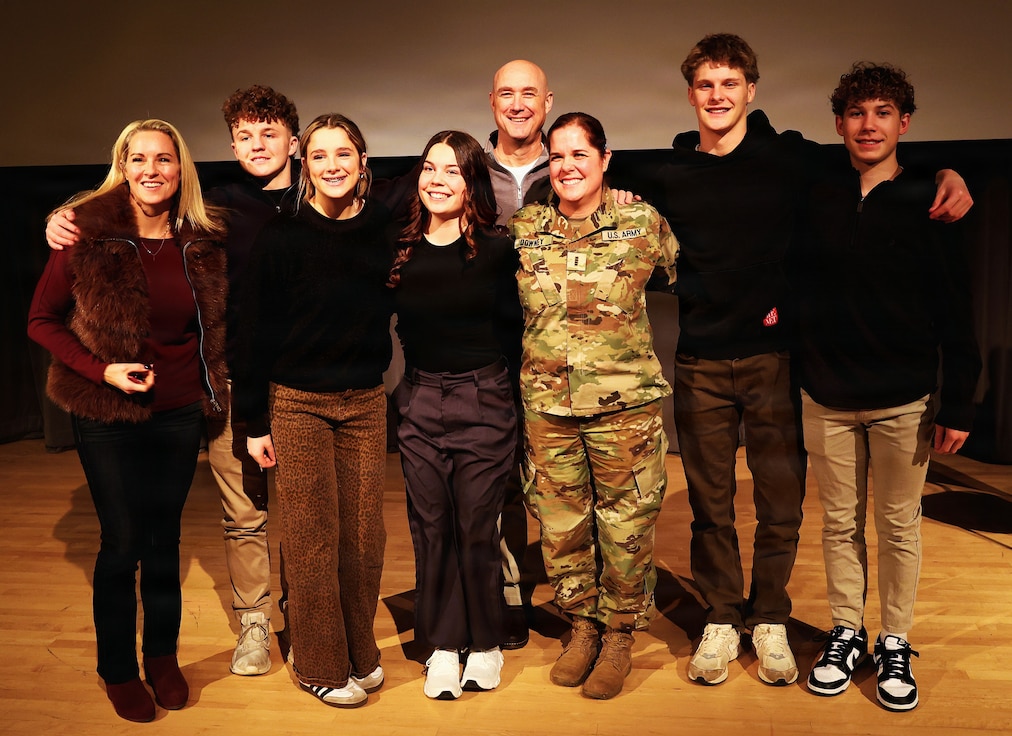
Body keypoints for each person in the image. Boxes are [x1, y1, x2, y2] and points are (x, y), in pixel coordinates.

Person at [631, 33, 973, 688]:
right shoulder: (668, 174)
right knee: (710, 502)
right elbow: (595, 187)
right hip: (700, 358)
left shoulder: (789, 160)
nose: (718, 96)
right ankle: (722, 616)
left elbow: (875, 154)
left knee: (782, 505)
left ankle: (769, 616)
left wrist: (952, 169)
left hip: (776, 362)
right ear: (690, 94)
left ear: (751, 90)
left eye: (730, 83)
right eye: (706, 84)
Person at [44, 85, 301, 676]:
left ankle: (305, 621)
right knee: (220, 519)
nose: (257, 145)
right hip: (205, 389)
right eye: (245, 135)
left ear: (296, 139)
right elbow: (49, 309)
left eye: (269, 132)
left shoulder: (315, 199)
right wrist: (64, 220)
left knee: (287, 516)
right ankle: (248, 625)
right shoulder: (220, 212)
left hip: (266, 388)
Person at [27, 119, 228, 722]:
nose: (151, 170)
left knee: (164, 542)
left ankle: (161, 657)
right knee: (122, 542)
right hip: (107, 409)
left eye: (163, 159)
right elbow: (41, 320)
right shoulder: (85, 236)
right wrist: (101, 370)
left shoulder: (202, 239)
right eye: (138, 158)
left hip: (176, 412)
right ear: (122, 166)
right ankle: (118, 667)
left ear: (180, 168)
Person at [798, 63, 981, 712]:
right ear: (840, 123)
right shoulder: (817, 194)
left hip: (905, 398)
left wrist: (960, 398)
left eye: (882, 113)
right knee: (839, 525)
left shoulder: (931, 202)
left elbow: (960, 310)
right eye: (856, 113)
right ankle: (847, 631)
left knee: (898, 526)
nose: (868, 125)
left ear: (904, 123)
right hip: (825, 396)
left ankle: (894, 640)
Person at [509, 112, 678, 700]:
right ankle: (581, 625)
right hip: (547, 406)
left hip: (624, 407)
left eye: (581, 154)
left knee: (626, 524)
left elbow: (687, 274)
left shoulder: (641, 222)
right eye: (557, 157)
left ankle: (620, 633)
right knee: (561, 526)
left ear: (605, 160)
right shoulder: (526, 228)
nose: (568, 166)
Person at [232, 113, 393, 709]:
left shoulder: (381, 226)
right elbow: (252, 334)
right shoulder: (283, 235)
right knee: (311, 536)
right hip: (296, 402)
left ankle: (359, 649)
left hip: (364, 402)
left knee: (364, 537)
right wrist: (253, 422)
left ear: (361, 161)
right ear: (305, 164)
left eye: (343, 153)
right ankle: (318, 662)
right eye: (320, 155)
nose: (331, 165)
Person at [388, 130, 523, 700]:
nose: (437, 180)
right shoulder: (398, 247)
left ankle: (486, 643)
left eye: (452, 170)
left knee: (475, 525)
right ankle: (442, 644)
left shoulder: (498, 248)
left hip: (484, 398)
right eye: (428, 168)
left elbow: (517, 333)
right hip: (418, 399)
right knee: (430, 525)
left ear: (473, 183)